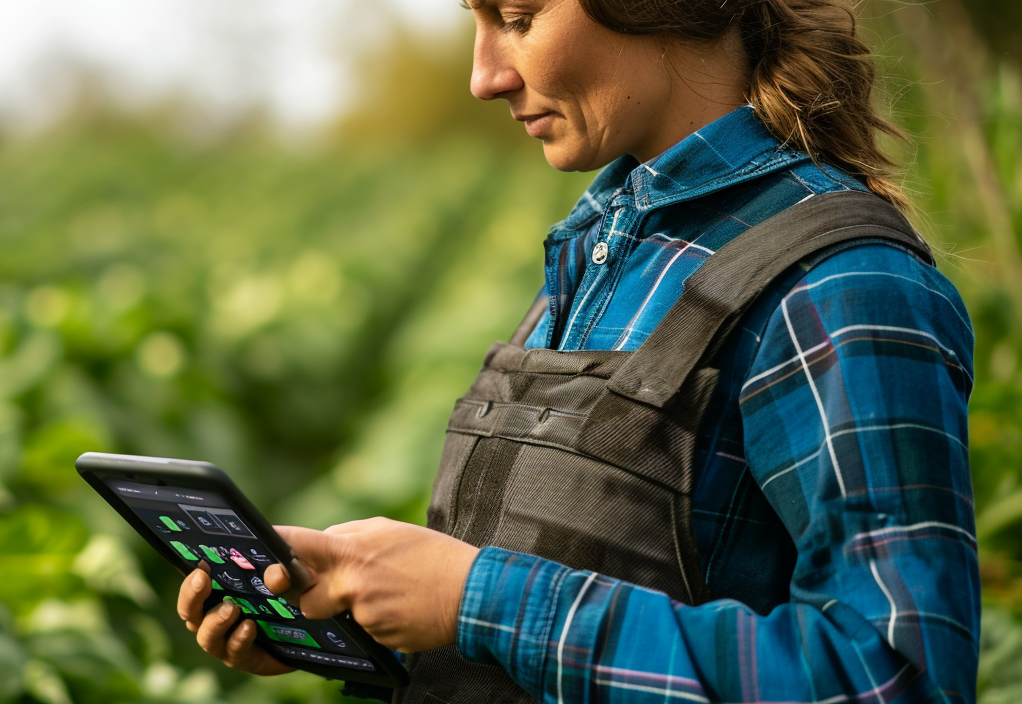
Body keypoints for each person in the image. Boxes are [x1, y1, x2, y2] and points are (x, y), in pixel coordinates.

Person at [176, 0, 980, 702]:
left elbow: (892, 679)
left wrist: (474, 597)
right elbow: (587, 568)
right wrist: (357, 606)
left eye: (519, 20)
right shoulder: (604, 248)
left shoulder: (843, 286)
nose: (484, 76)